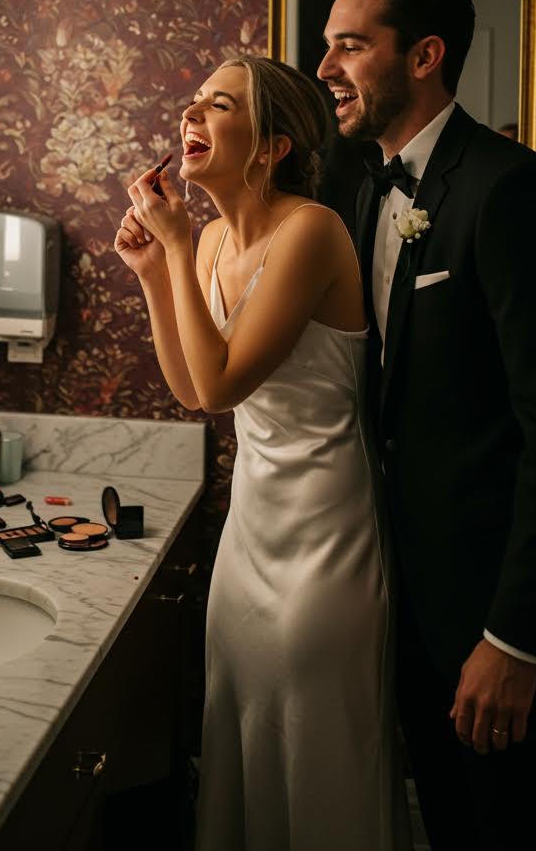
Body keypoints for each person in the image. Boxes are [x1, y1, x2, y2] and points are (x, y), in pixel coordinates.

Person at [318, 0, 536, 850]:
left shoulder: (513, 193)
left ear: (424, 56)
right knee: (449, 827)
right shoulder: (353, 187)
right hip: (406, 601)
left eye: (350, 46)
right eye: (326, 46)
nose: (326, 67)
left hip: (499, 617)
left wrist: (516, 640)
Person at [114, 54, 410, 851]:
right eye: (192, 103)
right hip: (250, 533)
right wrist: (155, 270)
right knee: (242, 737)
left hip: (325, 533)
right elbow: (190, 387)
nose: (191, 118)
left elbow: (219, 388)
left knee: (317, 751)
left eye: (218, 105)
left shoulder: (310, 230)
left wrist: (173, 244)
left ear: (274, 144)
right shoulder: (207, 241)